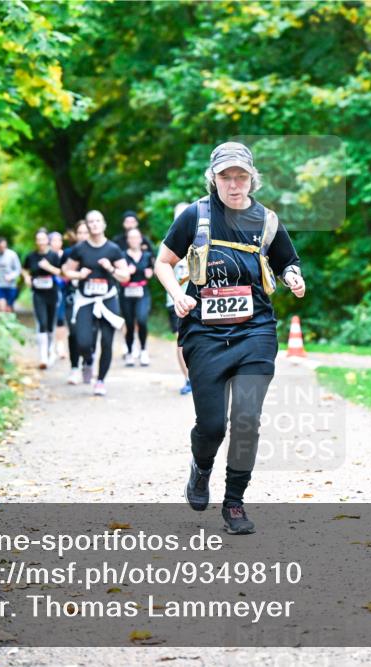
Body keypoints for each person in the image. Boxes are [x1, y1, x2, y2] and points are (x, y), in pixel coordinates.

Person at [154, 141, 306, 535]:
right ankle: (201, 467)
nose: (234, 184)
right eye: (226, 177)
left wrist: (293, 276)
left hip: (256, 330)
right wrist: (178, 294)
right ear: (214, 178)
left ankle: (234, 502)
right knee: (212, 427)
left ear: (252, 179)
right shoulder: (195, 215)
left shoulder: (266, 220)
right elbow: (164, 262)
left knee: (246, 420)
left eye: (241, 176)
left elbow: (287, 260)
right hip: (204, 333)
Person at [62, 211, 130, 396]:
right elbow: (66, 271)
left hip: (107, 299)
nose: (94, 224)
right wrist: (79, 275)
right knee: (82, 341)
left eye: (97, 221)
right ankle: (88, 361)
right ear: (87, 225)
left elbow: (125, 276)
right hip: (86, 300)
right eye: (90, 221)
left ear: (104, 224)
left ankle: (100, 381)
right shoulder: (80, 249)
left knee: (107, 341)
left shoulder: (113, 249)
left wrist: (110, 268)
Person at [22, 230, 63, 368]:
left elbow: (61, 273)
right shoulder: (31, 256)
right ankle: (43, 357)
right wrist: (27, 278)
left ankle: (50, 350)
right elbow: (25, 269)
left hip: (52, 293)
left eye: (43, 239)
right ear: (36, 241)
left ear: (47, 241)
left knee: (50, 324)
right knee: (42, 322)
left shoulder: (54, 256)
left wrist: (48, 267)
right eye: (38, 239)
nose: (41, 242)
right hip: (38, 293)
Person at [167, 202, 192, 394]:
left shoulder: (205, 238)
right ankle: (188, 379)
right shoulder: (169, 242)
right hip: (176, 299)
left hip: (201, 298)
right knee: (181, 339)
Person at [120, 228, 154, 367]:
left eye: (136, 237)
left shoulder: (147, 256)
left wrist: (150, 273)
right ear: (128, 240)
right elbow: (118, 274)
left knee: (142, 320)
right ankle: (129, 352)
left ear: (140, 239)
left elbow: (153, 270)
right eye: (131, 237)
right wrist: (126, 272)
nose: (134, 240)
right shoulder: (122, 256)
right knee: (129, 324)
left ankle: (143, 350)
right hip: (126, 292)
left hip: (142, 292)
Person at [61, 223, 90, 384]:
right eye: (80, 232)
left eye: (86, 232)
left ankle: (87, 362)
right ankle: (74, 367)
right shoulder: (68, 253)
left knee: (89, 333)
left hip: (91, 298)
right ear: (76, 235)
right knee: (73, 332)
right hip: (72, 297)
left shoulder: (97, 252)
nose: (83, 236)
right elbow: (62, 274)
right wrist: (76, 274)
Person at [49, 231, 69, 360]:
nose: (57, 243)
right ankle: (50, 346)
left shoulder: (65, 255)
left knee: (61, 317)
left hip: (63, 289)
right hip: (48, 290)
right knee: (50, 318)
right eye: (54, 240)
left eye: (59, 240)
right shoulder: (46, 255)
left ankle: (60, 345)